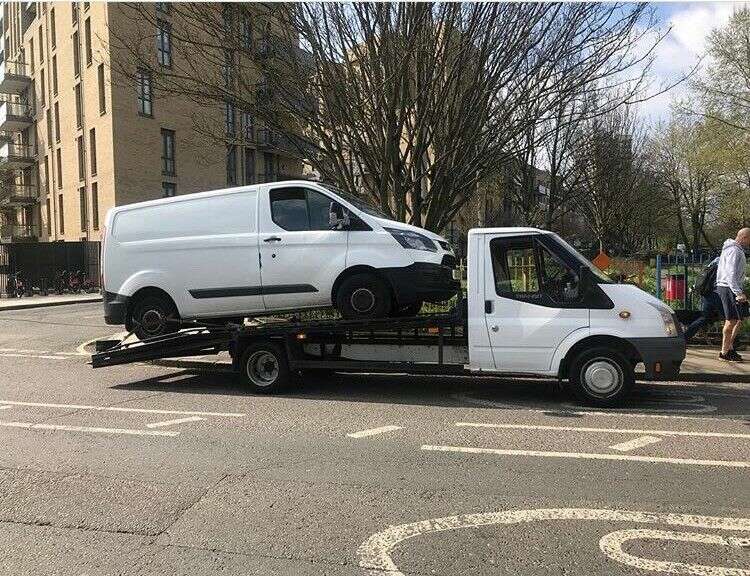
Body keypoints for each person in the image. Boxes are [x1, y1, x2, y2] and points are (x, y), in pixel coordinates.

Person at [715, 228, 750, 361]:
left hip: (729, 287)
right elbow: (730, 273)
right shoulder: (734, 251)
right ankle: (724, 352)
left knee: (738, 318)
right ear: (744, 237)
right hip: (728, 287)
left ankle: (729, 349)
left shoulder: (734, 249)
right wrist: (738, 292)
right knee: (731, 320)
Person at [683, 257, 721, 342]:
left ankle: (685, 337)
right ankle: (733, 344)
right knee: (731, 318)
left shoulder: (715, 261)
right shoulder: (725, 261)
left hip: (707, 293)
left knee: (704, 317)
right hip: (717, 294)